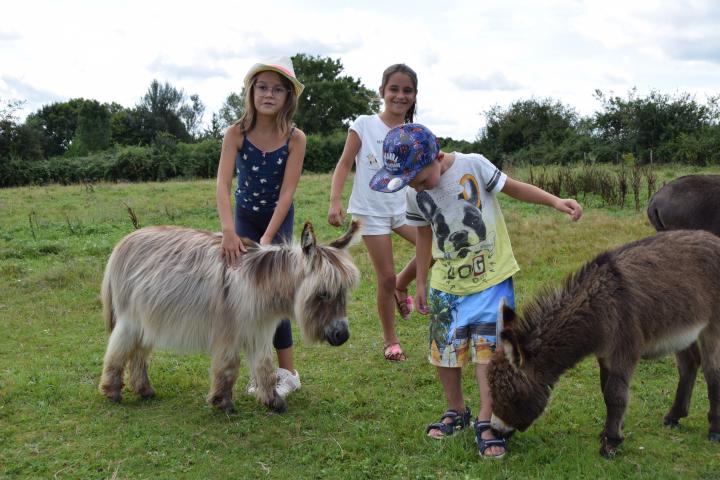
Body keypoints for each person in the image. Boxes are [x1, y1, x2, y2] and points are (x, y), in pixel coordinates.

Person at [369, 123, 582, 458]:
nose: (417, 186)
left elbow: (514, 188)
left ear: (437, 156)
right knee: (445, 352)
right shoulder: (414, 191)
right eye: (410, 182)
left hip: (491, 282)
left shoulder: (474, 165)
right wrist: (420, 280)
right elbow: (424, 236)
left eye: (421, 178)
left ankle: (486, 418)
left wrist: (555, 202)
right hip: (447, 287)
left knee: (488, 352)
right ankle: (456, 409)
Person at [216, 56, 306, 397]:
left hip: (278, 223)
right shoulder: (235, 133)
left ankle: (288, 372)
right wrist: (229, 232)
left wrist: (268, 240)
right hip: (242, 221)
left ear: (288, 97)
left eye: (278, 89)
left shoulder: (296, 138)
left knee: (276, 294)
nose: (269, 94)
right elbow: (224, 185)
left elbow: (287, 192)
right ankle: (258, 369)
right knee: (242, 295)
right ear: (251, 91)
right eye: (263, 87)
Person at [327, 64, 419, 362]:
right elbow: (343, 163)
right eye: (394, 89)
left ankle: (402, 285)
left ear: (415, 95)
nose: (400, 96)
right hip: (370, 212)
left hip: (404, 208)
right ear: (382, 92)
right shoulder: (364, 124)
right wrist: (335, 201)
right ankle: (391, 342)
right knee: (386, 277)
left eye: (407, 90)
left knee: (436, 246)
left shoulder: (413, 134)